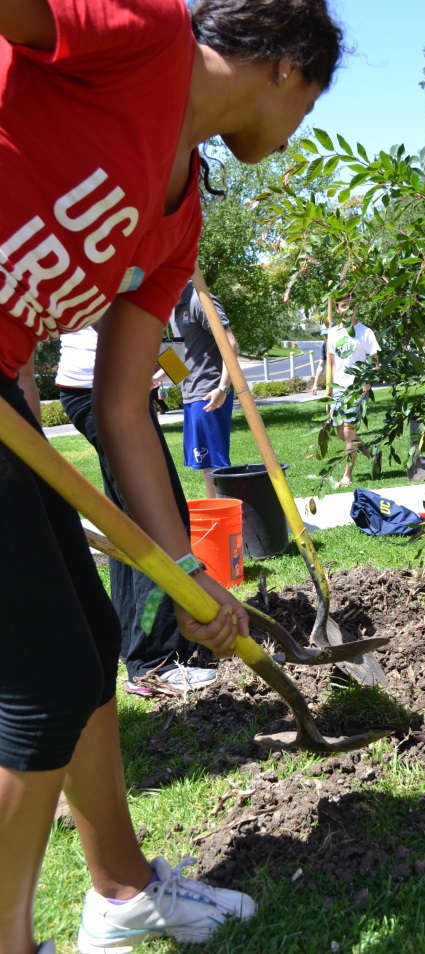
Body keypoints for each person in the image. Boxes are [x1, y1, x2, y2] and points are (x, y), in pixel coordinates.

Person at [0, 1, 343, 952]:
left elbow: (120, 409)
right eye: (309, 106)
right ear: (286, 64)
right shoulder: (142, 36)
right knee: (43, 683)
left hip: (6, 393)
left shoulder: (179, 213)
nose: (297, 129)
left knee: (87, 638)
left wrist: (184, 574)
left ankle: (118, 891)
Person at [55, 325, 219, 695]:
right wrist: (157, 369)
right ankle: (154, 661)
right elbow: (122, 326)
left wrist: (159, 372)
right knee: (157, 527)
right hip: (102, 392)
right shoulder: (134, 274)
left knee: (134, 525)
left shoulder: (165, 280)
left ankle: (133, 640)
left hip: (121, 392)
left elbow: (175, 346)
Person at [174, 281, 238, 499]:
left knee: (215, 463)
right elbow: (179, 354)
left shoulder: (199, 299)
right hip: (190, 394)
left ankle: (229, 514)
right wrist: (153, 380)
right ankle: (217, 510)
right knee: (204, 461)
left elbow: (230, 343)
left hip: (209, 392)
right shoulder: (172, 304)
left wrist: (223, 387)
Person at [328, 295, 381, 487]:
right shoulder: (333, 333)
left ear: (357, 308)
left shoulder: (365, 332)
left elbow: (375, 361)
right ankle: (372, 454)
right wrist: (330, 389)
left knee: (349, 432)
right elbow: (333, 363)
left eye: (351, 306)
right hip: (338, 389)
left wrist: (366, 383)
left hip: (356, 387)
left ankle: (347, 475)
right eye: (343, 306)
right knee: (341, 434)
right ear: (338, 309)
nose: (348, 309)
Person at [311, 322, 329, 394]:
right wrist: (315, 384)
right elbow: (321, 366)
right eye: (325, 335)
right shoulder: (324, 345)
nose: (327, 336)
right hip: (332, 379)